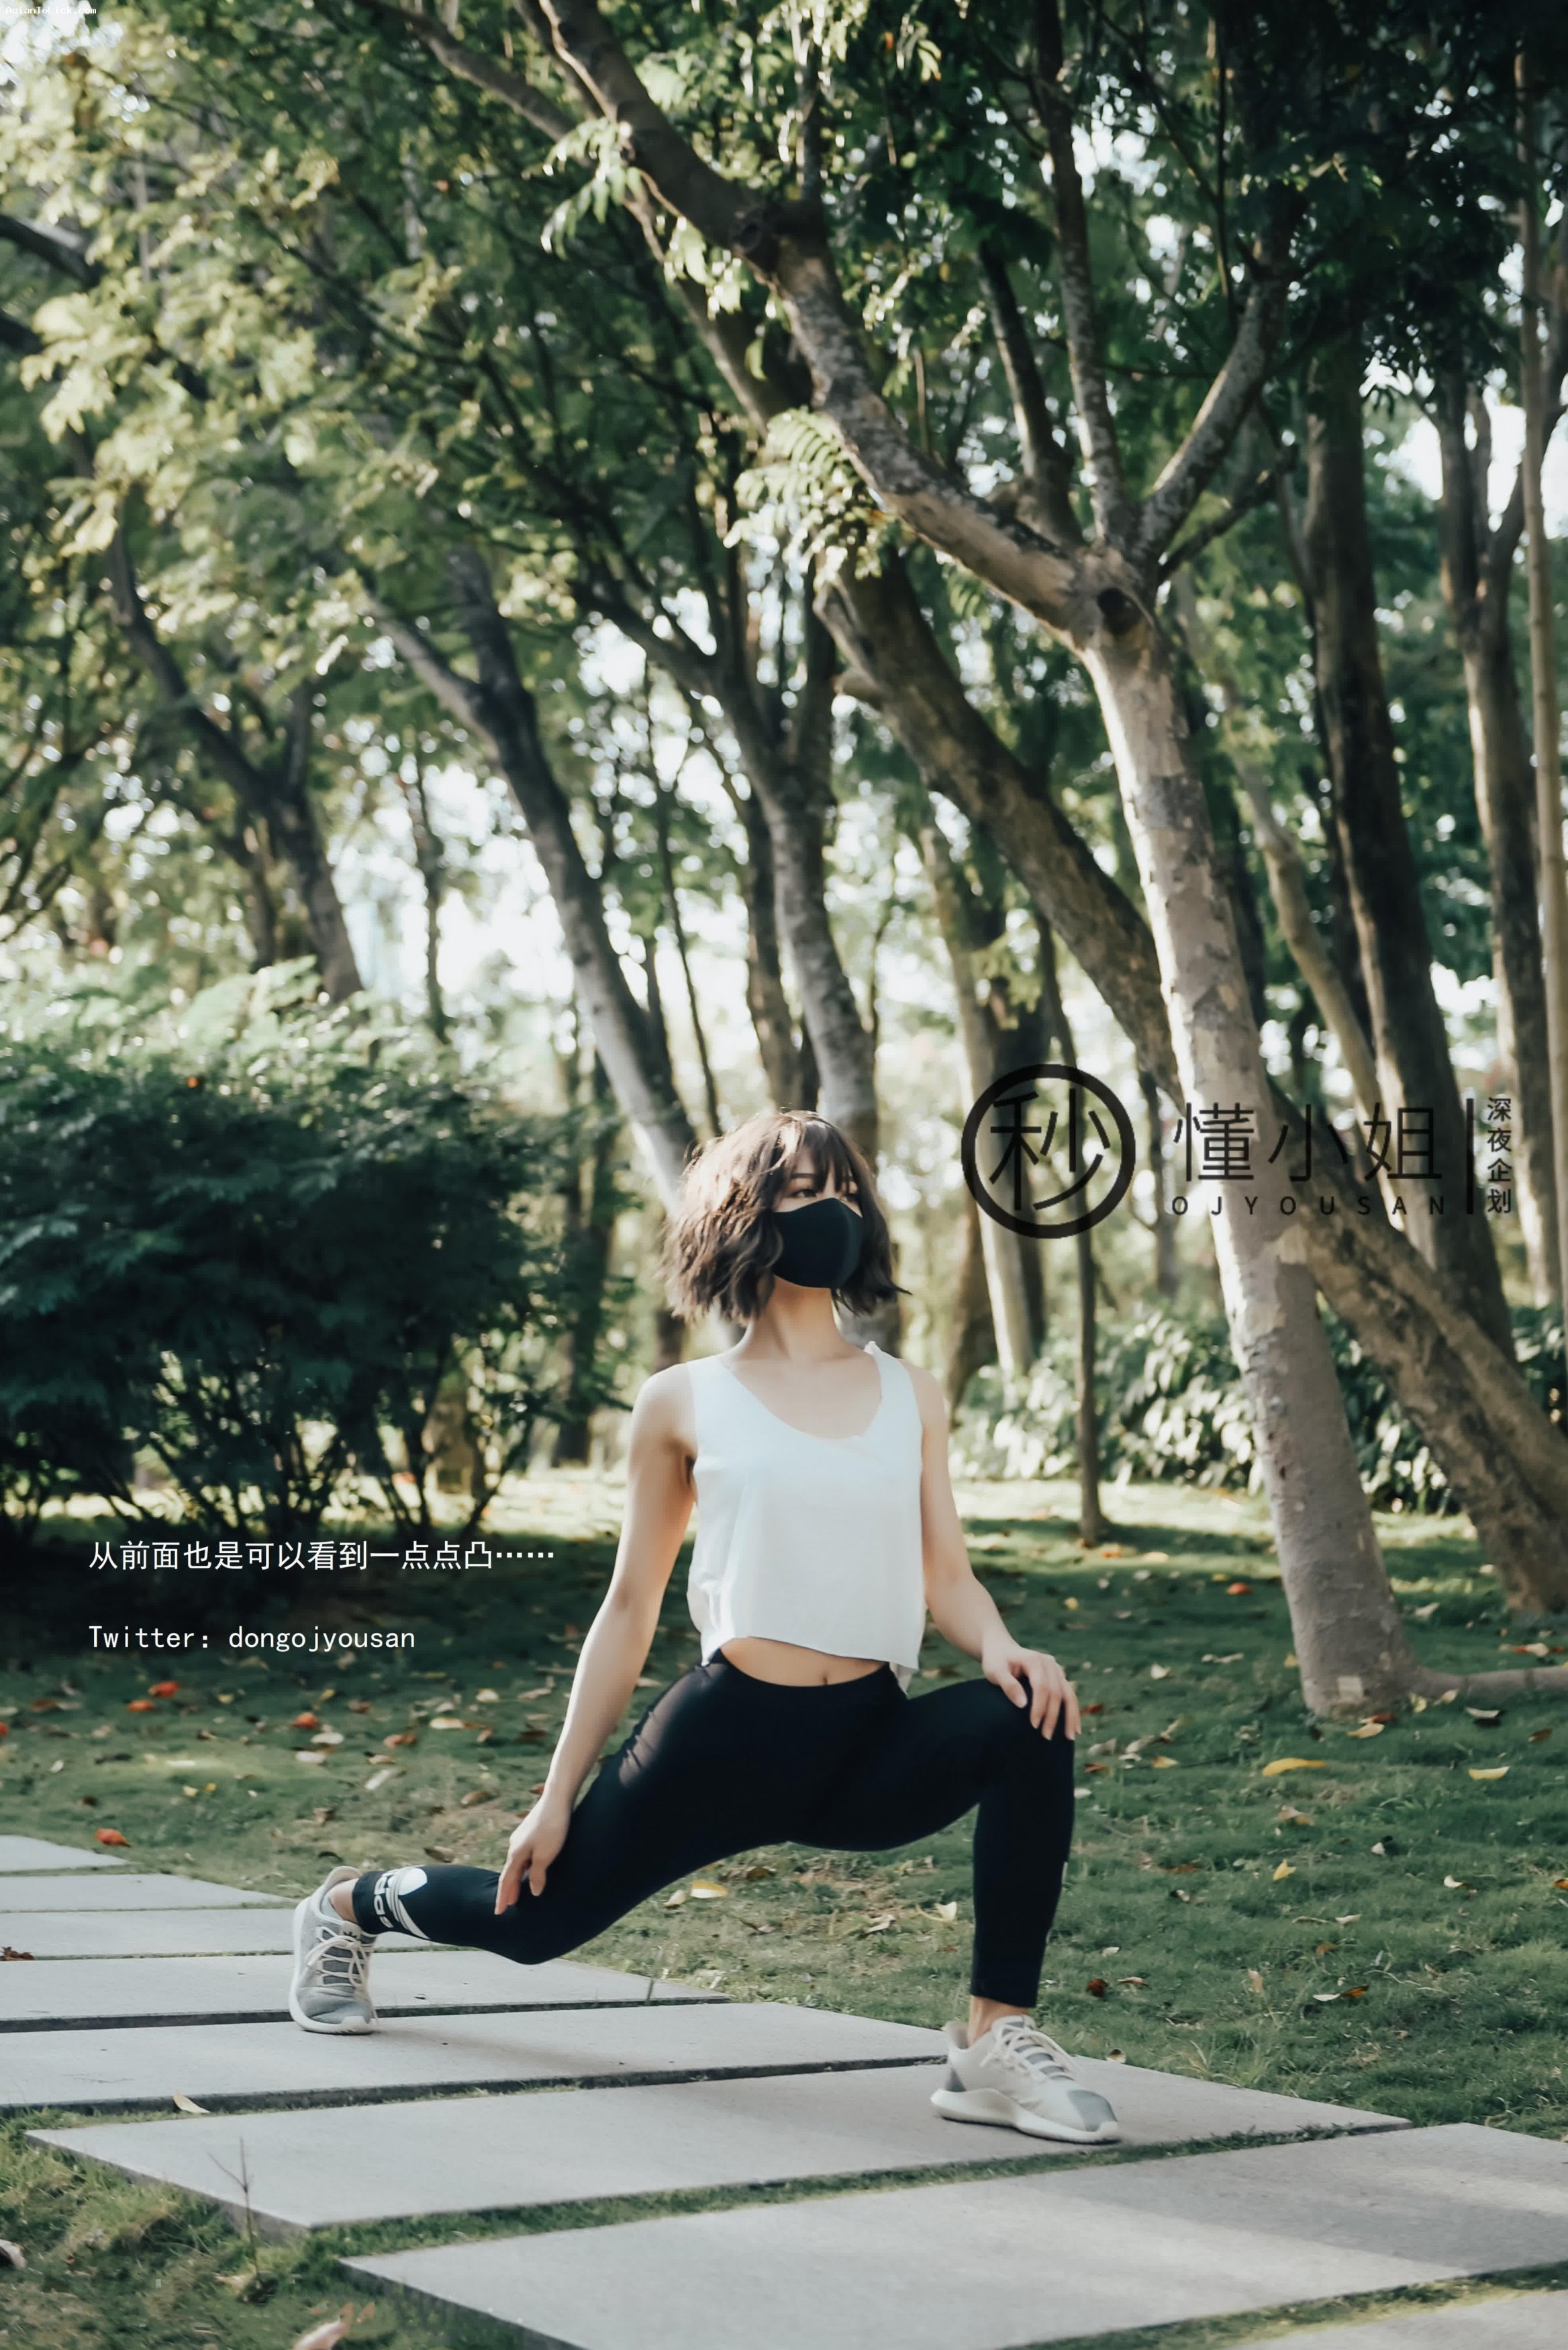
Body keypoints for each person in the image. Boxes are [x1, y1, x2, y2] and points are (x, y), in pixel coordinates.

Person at [288, 1110, 1120, 2145]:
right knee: (532, 1926)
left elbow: (946, 1576)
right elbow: (630, 1606)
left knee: (1030, 1715)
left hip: (865, 1743)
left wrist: (999, 1646)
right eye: (805, 1194)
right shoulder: (683, 1401)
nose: (835, 1212)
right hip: (722, 1743)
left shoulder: (912, 1394)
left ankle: (995, 2042)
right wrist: (554, 1797)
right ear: (746, 1219)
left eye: (847, 1193)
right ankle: (346, 1908)